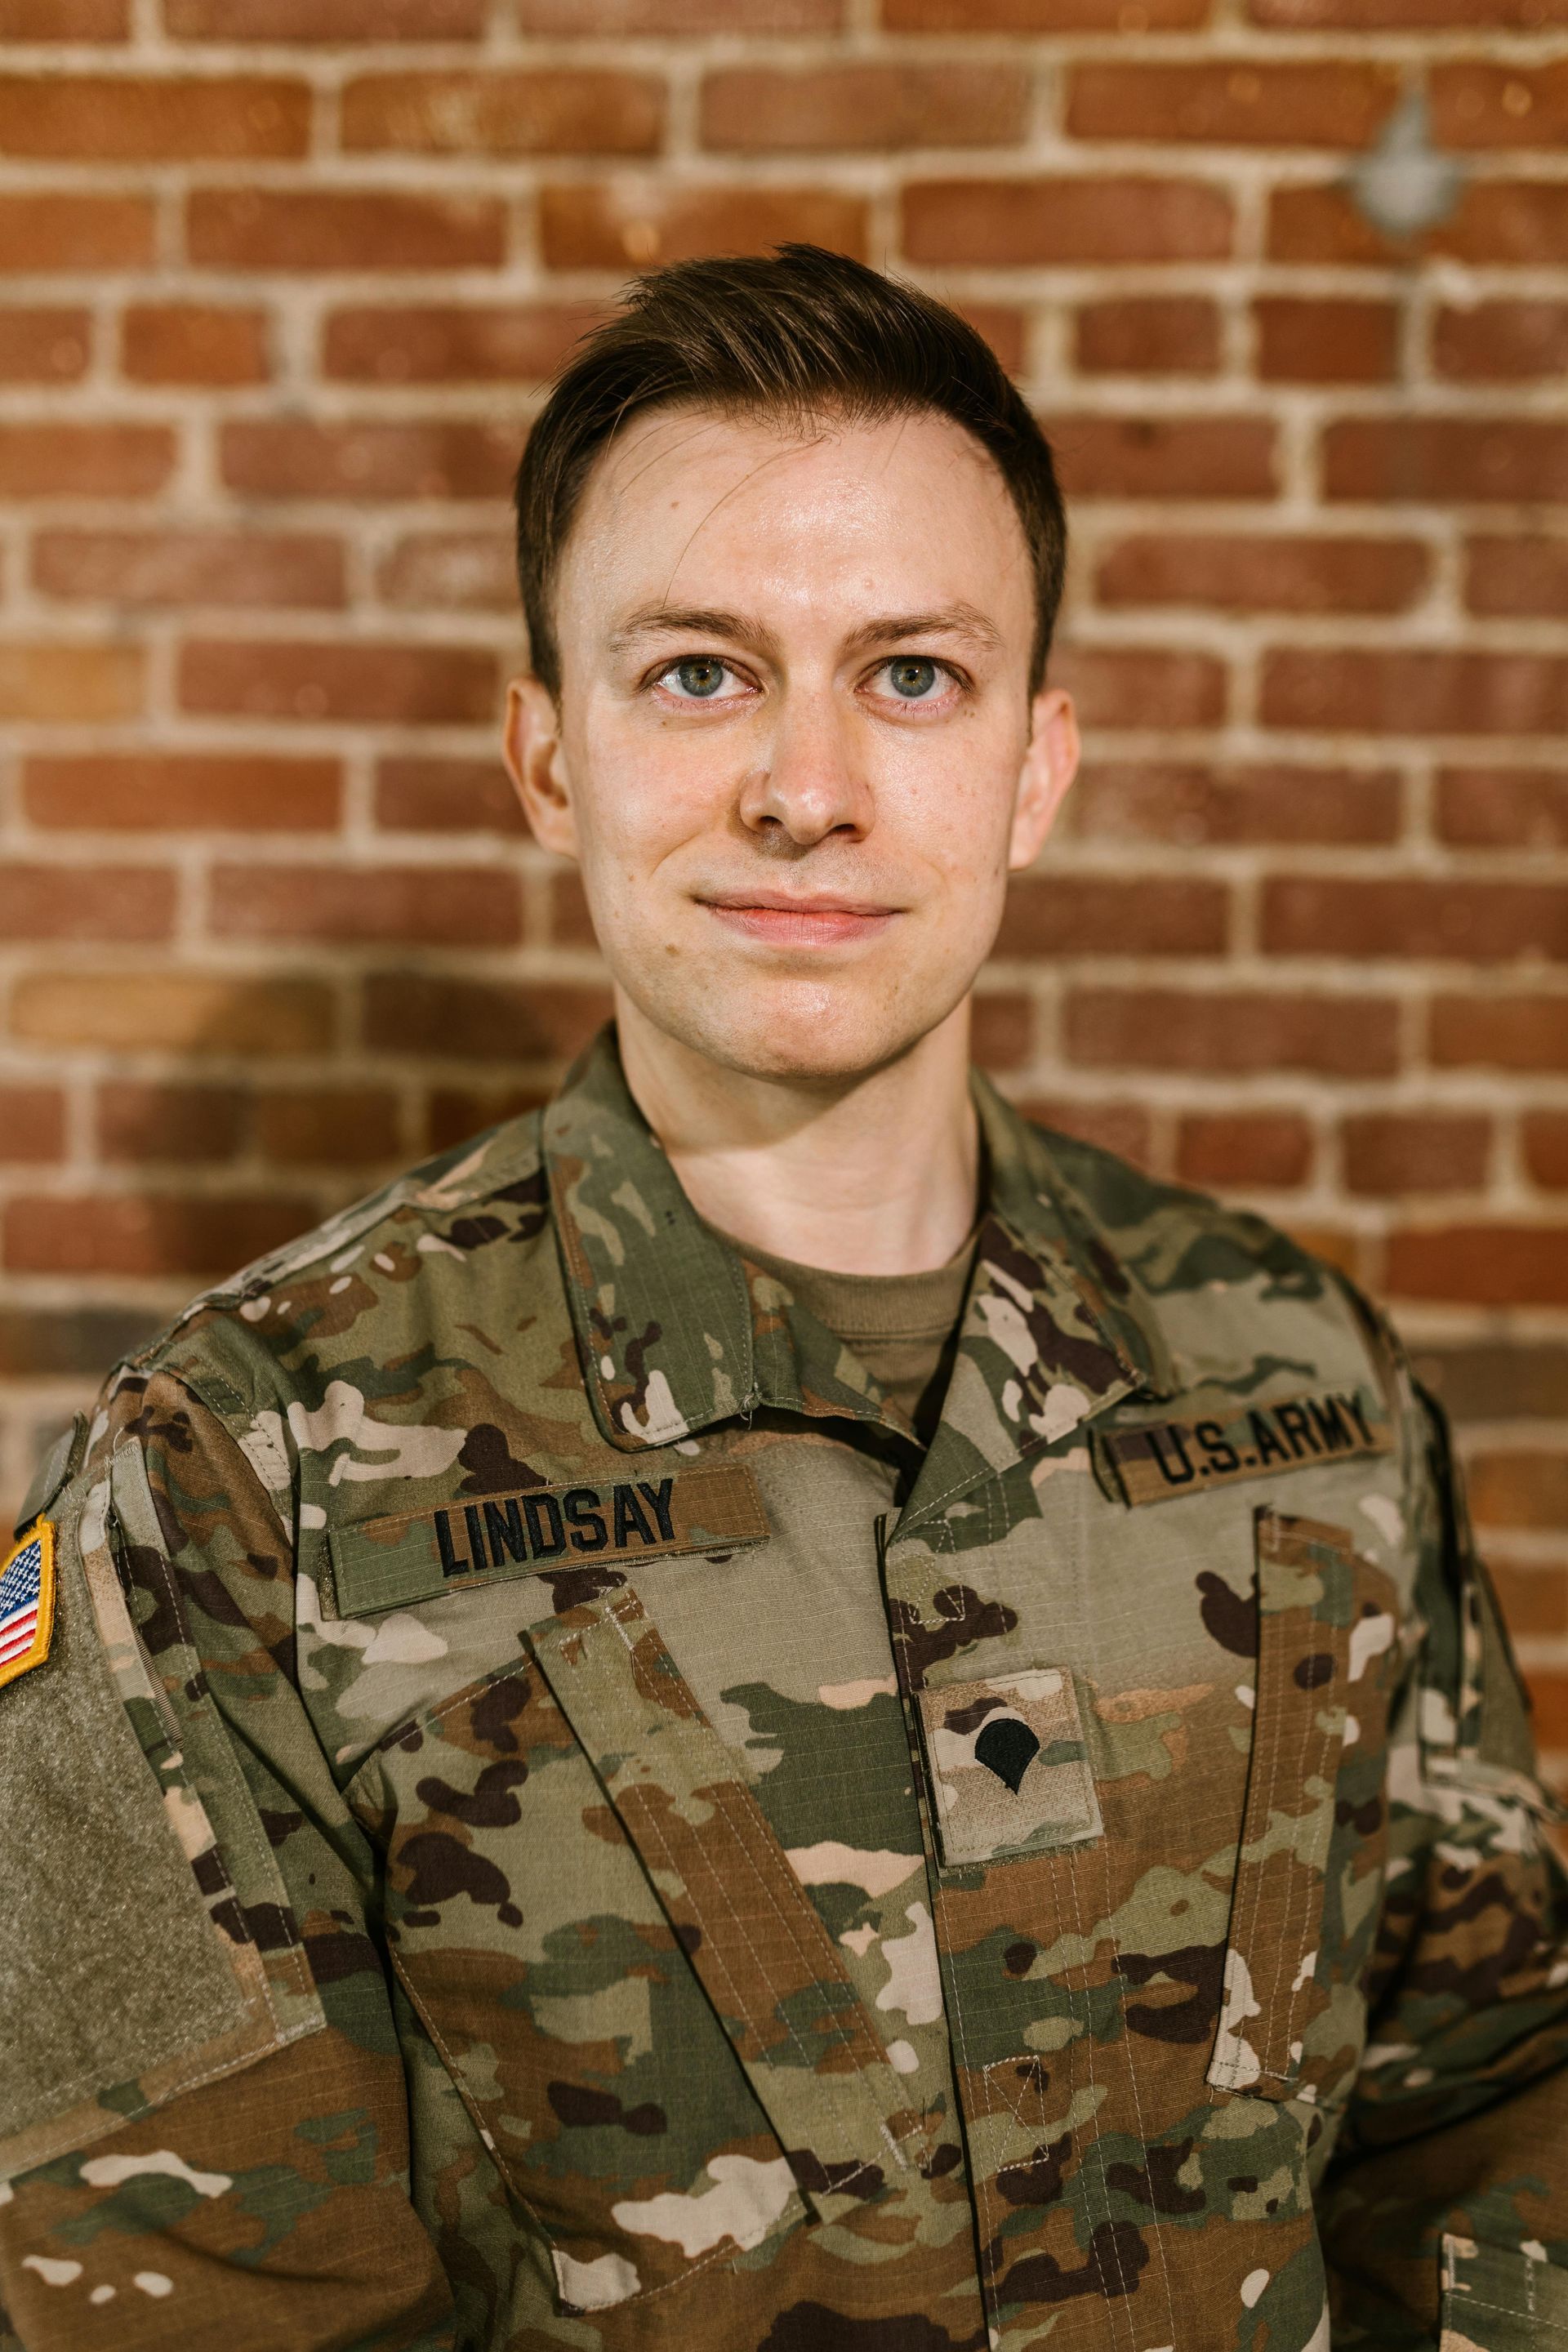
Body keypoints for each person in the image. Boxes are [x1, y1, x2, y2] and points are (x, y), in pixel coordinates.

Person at [0, 247, 1563, 2352]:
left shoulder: (1306, 1376)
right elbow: (163, 2297)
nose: (804, 787)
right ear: (550, 758)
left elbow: (1495, 2108)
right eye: (700, 674)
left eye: (911, 674)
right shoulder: (229, 1473)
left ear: (1037, 762)